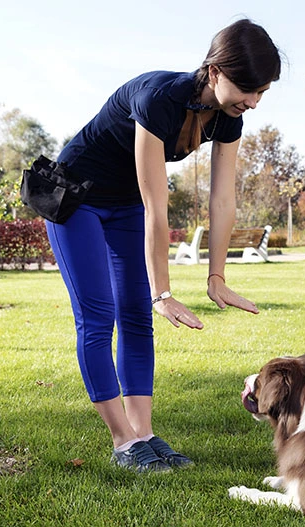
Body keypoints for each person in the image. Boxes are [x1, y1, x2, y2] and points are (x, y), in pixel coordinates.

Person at [45, 19, 278, 473]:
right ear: (214, 72)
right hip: (77, 198)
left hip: (125, 202)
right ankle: (122, 441)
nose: (252, 102)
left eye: (261, 93)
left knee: (136, 316)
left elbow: (223, 199)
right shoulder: (159, 98)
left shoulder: (228, 119)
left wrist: (217, 277)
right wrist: (164, 293)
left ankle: (144, 435)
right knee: (99, 316)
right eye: (247, 89)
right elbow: (158, 204)